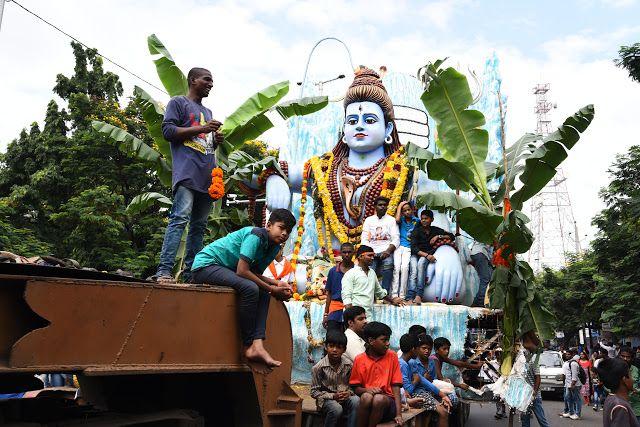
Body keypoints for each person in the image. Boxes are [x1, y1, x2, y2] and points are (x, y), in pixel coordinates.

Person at [191, 209, 296, 370]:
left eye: (288, 231)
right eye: (281, 228)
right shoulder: (256, 235)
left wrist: (276, 283)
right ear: (268, 225)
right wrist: (272, 288)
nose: (284, 234)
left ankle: (258, 344)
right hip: (206, 266)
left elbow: (253, 273)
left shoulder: (274, 247)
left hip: (228, 270)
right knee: (251, 289)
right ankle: (248, 346)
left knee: (264, 294)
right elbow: (242, 271)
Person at [155, 67, 224, 283]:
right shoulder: (178, 103)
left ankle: (190, 276)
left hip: (206, 177)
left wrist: (214, 138)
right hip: (186, 173)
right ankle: (164, 271)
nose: (211, 84)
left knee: (199, 227)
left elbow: (205, 144)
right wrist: (203, 128)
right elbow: (168, 132)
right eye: (207, 80)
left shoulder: (209, 112)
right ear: (193, 80)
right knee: (179, 219)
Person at [350, 322, 403, 427]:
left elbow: (396, 386)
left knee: (379, 399)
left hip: (387, 404)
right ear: (371, 341)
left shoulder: (392, 356)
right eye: (384, 340)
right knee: (366, 397)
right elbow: (356, 388)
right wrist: (367, 390)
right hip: (368, 405)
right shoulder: (360, 359)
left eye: (388, 339)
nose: (388, 343)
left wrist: (399, 414)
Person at [399, 334, 451, 427]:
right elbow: (409, 389)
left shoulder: (411, 362)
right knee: (443, 412)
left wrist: (442, 395)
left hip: (420, 392)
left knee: (434, 412)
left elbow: (423, 381)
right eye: (419, 348)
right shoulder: (402, 364)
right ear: (413, 349)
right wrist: (415, 381)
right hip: (413, 394)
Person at [311, 330, 360, 427]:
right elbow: (314, 392)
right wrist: (333, 396)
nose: (334, 350)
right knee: (336, 408)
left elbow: (353, 386)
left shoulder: (349, 365)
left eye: (339, 347)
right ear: (326, 347)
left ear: (344, 349)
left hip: (344, 398)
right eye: (331, 346)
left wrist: (349, 393)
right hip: (326, 401)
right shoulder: (318, 368)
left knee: (356, 401)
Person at [342, 245, 404, 319]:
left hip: (368, 316)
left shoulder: (372, 273)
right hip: (354, 317)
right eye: (369, 255)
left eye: (373, 255)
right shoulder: (350, 273)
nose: (372, 258)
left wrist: (392, 301)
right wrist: (352, 318)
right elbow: (346, 297)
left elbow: (379, 293)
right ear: (360, 257)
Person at [408, 210, 455, 304]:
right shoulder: (416, 231)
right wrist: (427, 255)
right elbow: (413, 248)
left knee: (421, 264)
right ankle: (409, 297)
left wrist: (438, 236)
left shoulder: (435, 230)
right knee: (413, 270)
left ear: (432, 219)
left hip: (427, 255)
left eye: (426, 218)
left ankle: (418, 295)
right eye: (422, 219)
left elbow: (451, 236)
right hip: (417, 254)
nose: (424, 221)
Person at [360, 197, 400, 294]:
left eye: (384, 205)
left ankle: (385, 293)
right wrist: (369, 253)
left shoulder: (391, 220)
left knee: (388, 264)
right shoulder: (369, 220)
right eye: (380, 205)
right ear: (375, 207)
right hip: (371, 251)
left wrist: (388, 251)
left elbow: (396, 238)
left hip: (385, 251)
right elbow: (364, 238)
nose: (382, 207)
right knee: (369, 270)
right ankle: (370, 294)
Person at [596, 357, 640, 426]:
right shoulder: (620, 406)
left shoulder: (611, 398)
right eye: (630, 375)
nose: (633, 380)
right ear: (624, 379)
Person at [520, 331, 550, 427]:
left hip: (534, 396)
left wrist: (534, 391)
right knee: (525, 419)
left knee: (541, 419)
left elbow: (538, 378)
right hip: (524, 395)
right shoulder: (521, 362)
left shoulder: (534, 361)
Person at [323, 243, 355, 332]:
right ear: (340, 253)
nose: (347, 255)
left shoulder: (357, 271)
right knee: (332, 337)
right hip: (335, 308)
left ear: (354, 253)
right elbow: (329, 293)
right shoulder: (333, 271)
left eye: (349, 252)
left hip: (352, 309)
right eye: (344, 252)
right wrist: (326, 314)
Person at [393, 201, 419, 301]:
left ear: (412, 210)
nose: (407, 212)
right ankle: (394, 294)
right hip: (398, 247)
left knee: (405, 268)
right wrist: (400, 206)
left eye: (408, 210)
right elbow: (397, 219)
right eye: (404, 211)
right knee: (396, 268)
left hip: (408, 248)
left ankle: (402, 295)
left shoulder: (416, 221)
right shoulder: (401, 220)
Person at [561, 348, 583, 419]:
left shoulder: (573, 363)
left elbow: (574, 376)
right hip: (568, 385)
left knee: (577, 399)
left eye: (569, 354)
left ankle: (577, 414)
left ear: (572, 355)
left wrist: (572, 384)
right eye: (566, 354)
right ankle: (571, 412)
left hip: (574, 385)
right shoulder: (567, 363)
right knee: (568, 398)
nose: (567, 355)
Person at [469, 241, 493, 307]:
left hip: (480, 254)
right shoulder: (493, 233)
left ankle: (476, 302)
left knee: (488, 278)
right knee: (485, 279)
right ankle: (480, 303)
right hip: (480, 253)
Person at [619, 347, 640, 422]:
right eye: (623, 356)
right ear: (619, 356)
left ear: (631, 358)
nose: (625, 359)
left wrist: (637, 391)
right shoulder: (615, 369)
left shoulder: (636, 370)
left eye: (628, 357)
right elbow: (607, 387)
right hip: (620, 406)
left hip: (636, 408)